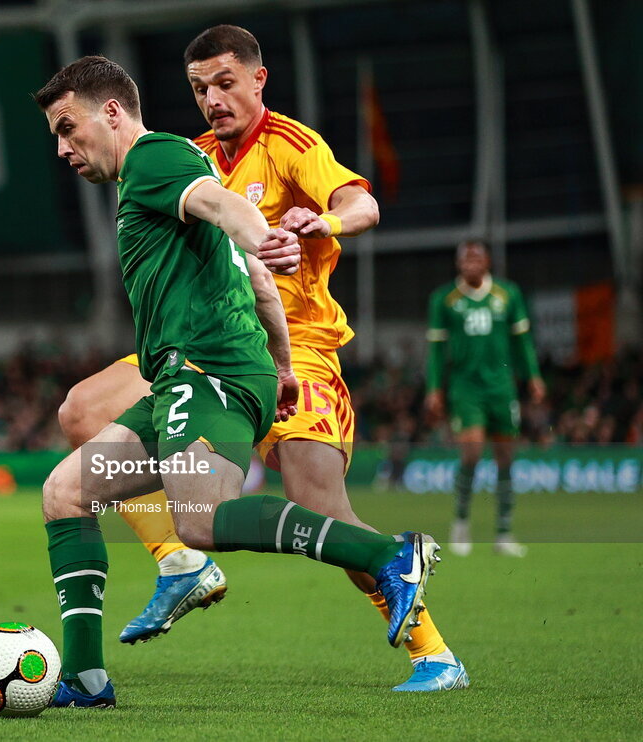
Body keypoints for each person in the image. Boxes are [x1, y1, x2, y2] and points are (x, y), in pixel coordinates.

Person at [58, 26, 466, 693]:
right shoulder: (184, 155)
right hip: (207, 342)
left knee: (320, 508)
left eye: (223, 83)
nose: (212, 100)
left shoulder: (291, 146)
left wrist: (325, 223)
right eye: (197, 89)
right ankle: (180, 563)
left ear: (257, 79)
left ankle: (435, 653)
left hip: (295, 347)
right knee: (81, 410)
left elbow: (361, 201)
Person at [425, 241, 545, 557]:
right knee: (472, 453)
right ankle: (461, 523)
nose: (470, 262)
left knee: (505, 458)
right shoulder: (444, 299)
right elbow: (436, 351)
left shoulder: (508, 295)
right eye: (464, 257)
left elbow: (523, 342)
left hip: (502, 389)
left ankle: (504, 533)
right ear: (458, 263)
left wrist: (533, 376)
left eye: (476, 256)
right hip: (466, 389)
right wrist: (434, 389)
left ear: (488, 260)